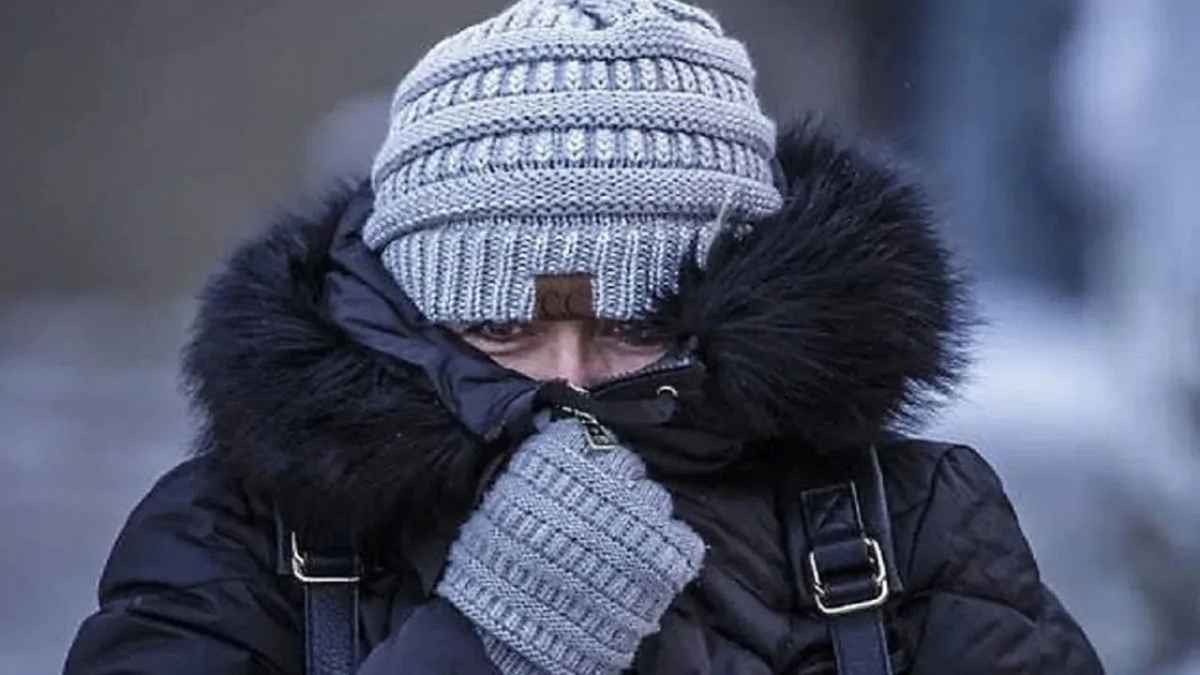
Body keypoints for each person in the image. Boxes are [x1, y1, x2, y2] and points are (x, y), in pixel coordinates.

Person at [64, 0, 1104, 673]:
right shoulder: (245, 535)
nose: (567, 384)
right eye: (501, 328)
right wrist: (483, 642)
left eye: (637, 326)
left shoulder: (904, 520)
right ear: (411, 313)